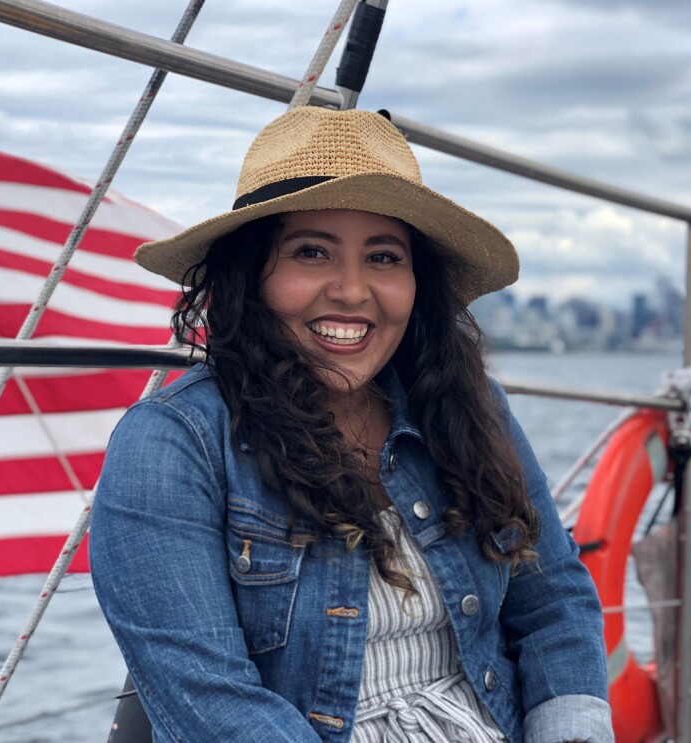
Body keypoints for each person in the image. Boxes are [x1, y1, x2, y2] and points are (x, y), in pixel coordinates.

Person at [90, 106, 613, 743]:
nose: (352, 290)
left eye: (384, 257)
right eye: (311, 252)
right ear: (252, 274)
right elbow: (208, 699)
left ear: (419, 282)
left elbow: (554, 599)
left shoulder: (468, 407)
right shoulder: (172, 443)